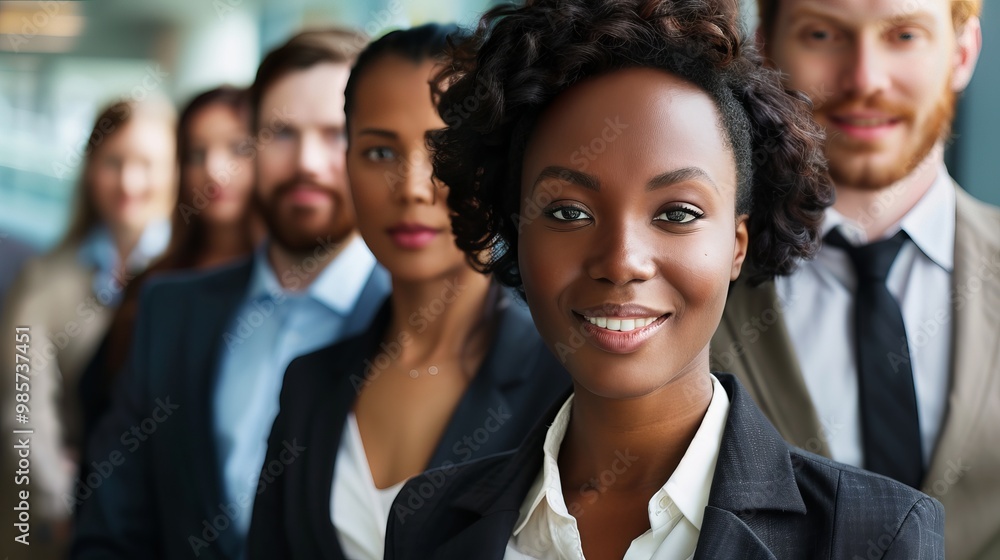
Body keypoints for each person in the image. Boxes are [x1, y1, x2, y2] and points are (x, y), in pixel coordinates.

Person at [384, 0, 946, 558]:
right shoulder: (428, 524)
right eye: (569, 212)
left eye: (677, 213)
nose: (622, 261)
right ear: (517, 232)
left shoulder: (873, 535)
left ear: (737, 244)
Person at [246, 24, 570, 560]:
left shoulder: (565, 381)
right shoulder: (309, 385)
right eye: (379, 152)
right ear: (347, 163)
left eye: (447, 150)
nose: (413, 187)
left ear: (496, 165)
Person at [72, 28, 390, 560]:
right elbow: (110, 525)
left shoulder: (417, 322)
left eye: (336, 133)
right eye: (282, 132)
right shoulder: (168, 311)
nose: (307, 162)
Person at [710, 0, 999, 556]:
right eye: (822, 34)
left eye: (904, 36)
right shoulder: (688, 290)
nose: (865, 79)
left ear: (962, 53)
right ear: (766, 50)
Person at [1, 97, 176, 559]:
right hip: (61, 519)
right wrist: (54, 498)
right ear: (90, 169)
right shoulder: (42, 281)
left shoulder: (194, 282)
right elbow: (23, 400)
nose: (129, 182)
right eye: (113, 162)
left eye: (147, 164)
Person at [78, 85, 261, 444]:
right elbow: (104, 408)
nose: (214, 170)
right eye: (195, 154)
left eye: (238, 148)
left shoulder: (283, 283)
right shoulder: (153, 283)